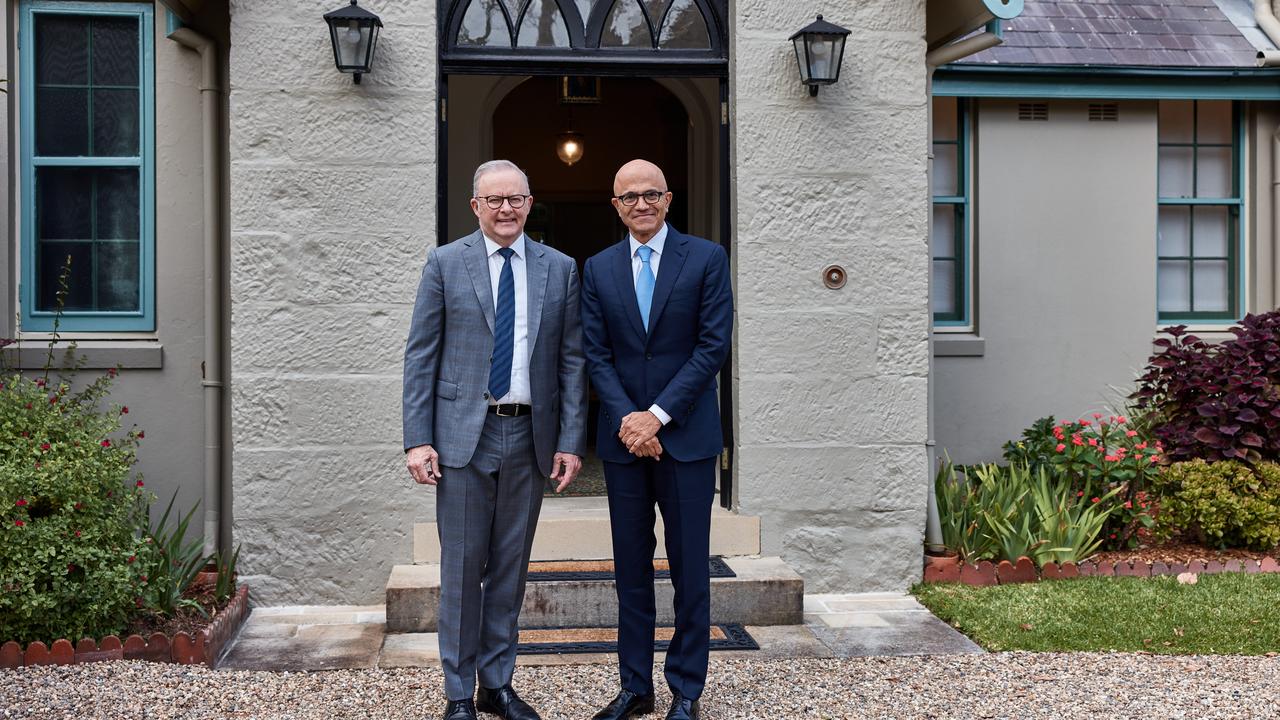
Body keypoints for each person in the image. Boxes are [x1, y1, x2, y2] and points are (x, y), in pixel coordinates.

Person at [403, 160, 587, 720]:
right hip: (462, 439)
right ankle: (458, 693)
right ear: (475, 206)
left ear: (530, 204)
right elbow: (421, 355)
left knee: (510, 566)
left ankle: (497, 684)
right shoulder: (445, 263)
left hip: (529, 435)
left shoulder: (559, 268)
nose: (506, 208)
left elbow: (571, 361)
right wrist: (418, 439)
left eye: (516, 199)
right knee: (461, 568)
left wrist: (571, 440)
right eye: (495, 200)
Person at [581, 159, 734, 720]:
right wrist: (631, 420)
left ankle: (687, 690)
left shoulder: (706, 259)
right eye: (629, 197)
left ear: (668, 199)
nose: (640, 204)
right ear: (615, 206)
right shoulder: (597, 269)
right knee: (630, 569)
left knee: (691, 568)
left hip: (687, 439)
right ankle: (634, 687)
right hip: (624, 442)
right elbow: (595, 354)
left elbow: (712, 347)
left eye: (651, 195)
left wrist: (659, 416)